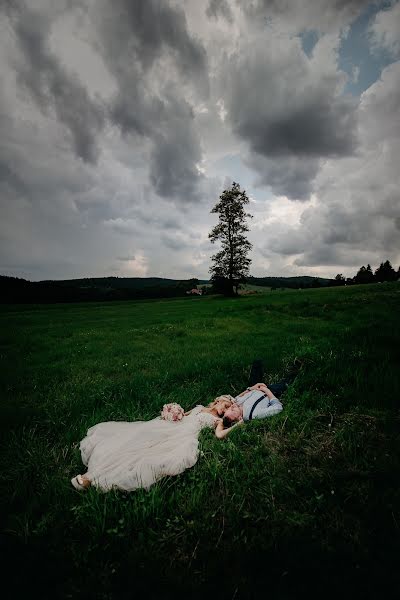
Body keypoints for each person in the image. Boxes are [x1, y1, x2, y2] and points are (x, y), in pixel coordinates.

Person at [71, 397, 233, 492]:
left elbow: (219, 435)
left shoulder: (217, 421)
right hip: (172, 426)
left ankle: (91, 478)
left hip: (183, 436)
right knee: (137, 437)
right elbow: (186, 415)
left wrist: (238, 424)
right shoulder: (200, 408)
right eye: (225, 405)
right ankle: (92, 473)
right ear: (217, 401)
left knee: (147, 453)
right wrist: (173, 413)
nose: (225, 410)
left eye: (228, 410)